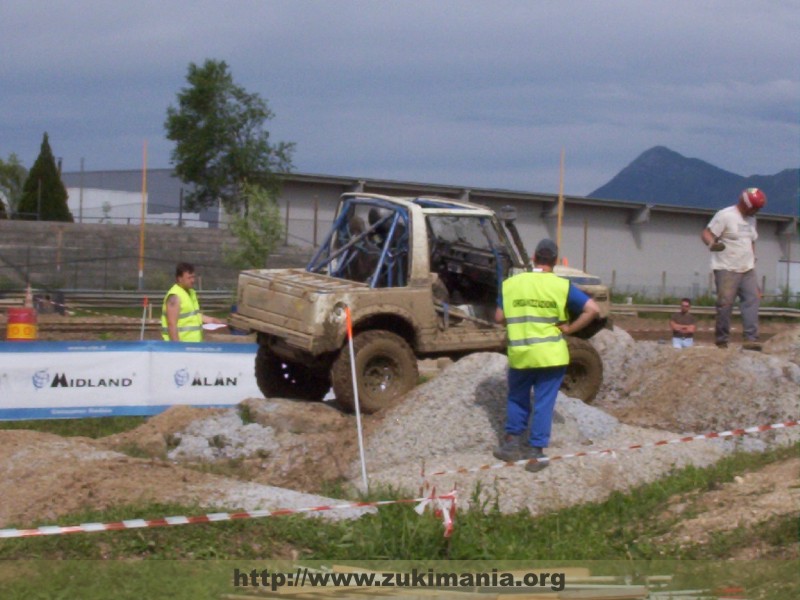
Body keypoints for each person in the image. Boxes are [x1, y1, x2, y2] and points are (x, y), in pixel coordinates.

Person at [493, 238, 600, 472]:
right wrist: (570, 329)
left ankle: (511, 444)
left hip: (522, 353)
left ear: (533, 258)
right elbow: (594, 309)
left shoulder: (511, 283)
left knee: (517, 398)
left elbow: (499, 318)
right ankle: (535, 452)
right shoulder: (561, 285)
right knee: (544, 402)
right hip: (551, 355)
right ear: (556, 261)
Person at [701, 188, 766, 350]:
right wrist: (712, 244)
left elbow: (752, 242)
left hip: (747, 268)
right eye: (755, 208)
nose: (756, 211)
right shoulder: (726, 215)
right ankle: (722, 340)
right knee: (725, 304)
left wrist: (753, 262)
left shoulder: (752, 220)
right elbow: (706, 233)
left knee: (752, 300)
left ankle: (751, 339)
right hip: (727, 268)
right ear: (746, 204)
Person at [161, 262, 225, 342]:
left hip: (193, 346)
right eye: (189, 278)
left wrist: (211, 320)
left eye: (193, 277)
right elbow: (172, 324)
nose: (193, 280)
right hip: (182, 347)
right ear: (179, 278)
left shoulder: (191, 293)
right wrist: (177, 348)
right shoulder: (175, 296)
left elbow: (193, 315)